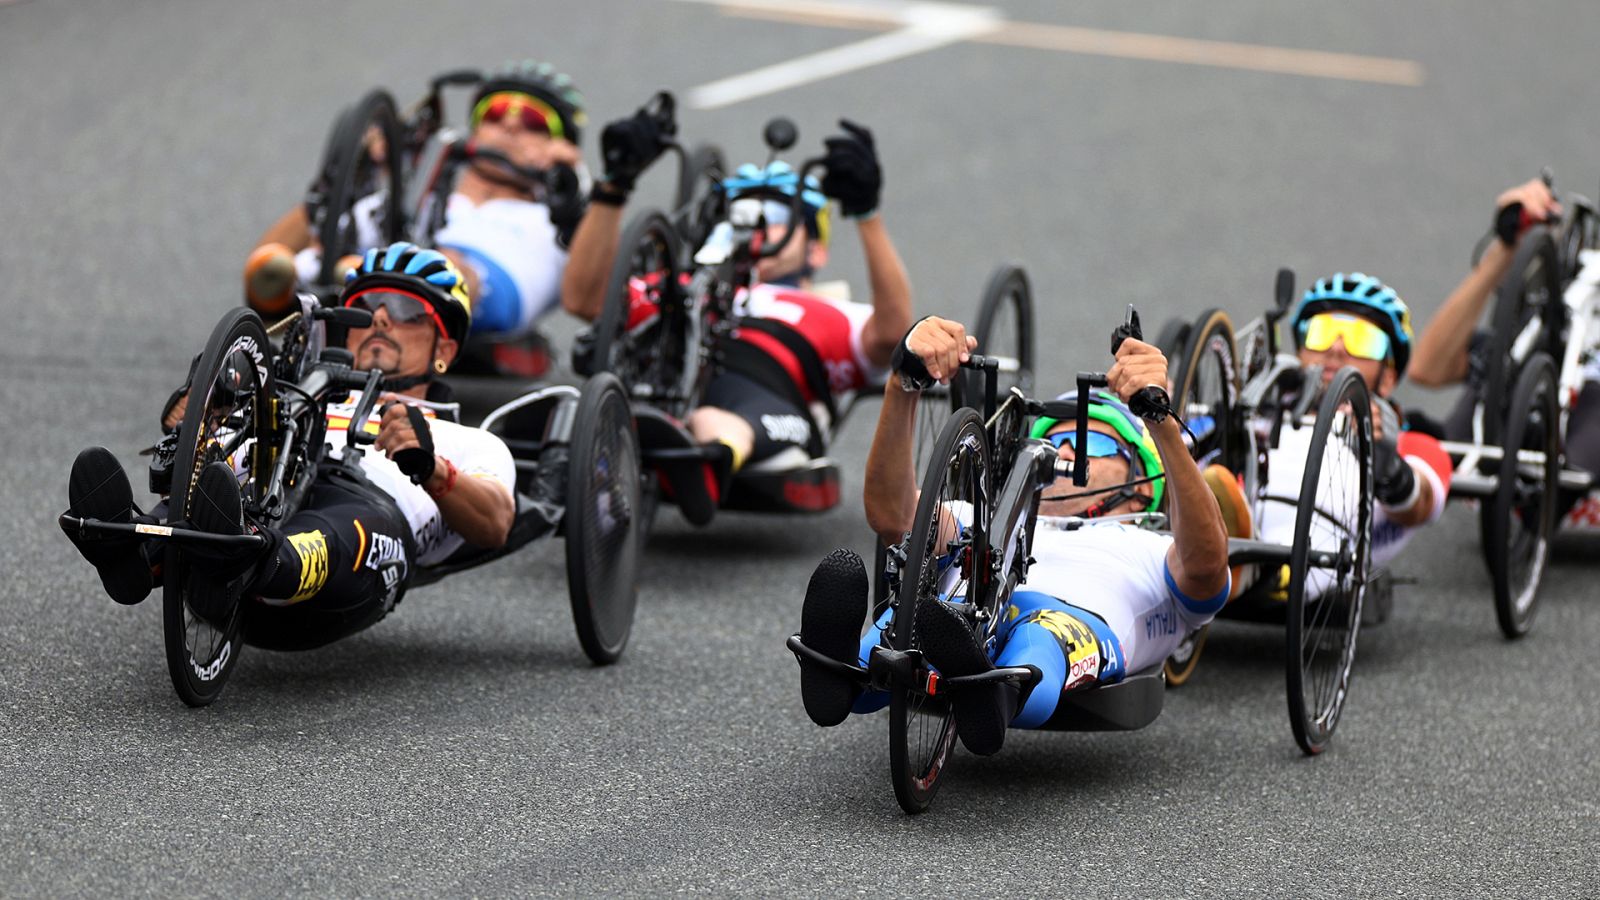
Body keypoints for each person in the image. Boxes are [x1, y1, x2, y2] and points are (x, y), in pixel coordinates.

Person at [795, 316, 1230, 756]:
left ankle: (993, 696)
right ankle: (841, 676)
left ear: (1141, 486)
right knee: (904, 620)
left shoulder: (1151, 547)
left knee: (1043, 638)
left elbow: (1207, 567)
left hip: (1069, 623)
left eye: (1093, 445)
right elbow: (894, 515)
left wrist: (1161, 423)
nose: (1063, 451)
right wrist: (902, 383)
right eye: (1054, 439)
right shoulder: (982, 516)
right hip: (955, 616)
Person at [63, 242, 518, 648]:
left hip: (366, 518)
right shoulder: (290, 402)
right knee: (209, 494)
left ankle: (249, 558)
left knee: (340, 528)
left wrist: (432, 468)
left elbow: (496, 522)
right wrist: (200, 422)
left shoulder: (467, 441)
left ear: (447, 347)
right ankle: (133, 551)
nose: (380, 317)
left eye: (403, 309)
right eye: (368, 306)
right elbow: (209, 469)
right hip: (266, 481)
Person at [560, 107, 913, 516]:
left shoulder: (831, 312)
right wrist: (614, 187)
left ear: (816, 250)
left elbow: (893, 338)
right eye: (737, 215)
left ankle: (707, 458)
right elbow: (585, 299)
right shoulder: (686, 290)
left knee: (722, 418)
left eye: (778, 217)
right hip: (672, 371)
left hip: (770, 401)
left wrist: (865, 214)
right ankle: (660, 441)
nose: (754, 226)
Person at [245, 61, 590, 377]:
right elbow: (267, 255)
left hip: (491, 287)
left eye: (533, 121)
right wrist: (339, 185)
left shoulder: (561, 221)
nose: (510, 125)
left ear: (561, 146)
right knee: (277, 266)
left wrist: (583, 181)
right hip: (394, 252)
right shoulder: (423, 194)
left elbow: (592, 297)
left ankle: (370, 281)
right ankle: (343, 278)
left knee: (448, 267)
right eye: (496, 113)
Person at [1410, 177, 1600, 524]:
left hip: (1576, 440)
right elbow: (1426, 368)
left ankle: (1544, 486)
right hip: (1524, 389)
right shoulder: (1532, 339)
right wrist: (1505, 247)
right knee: (1485, 386)